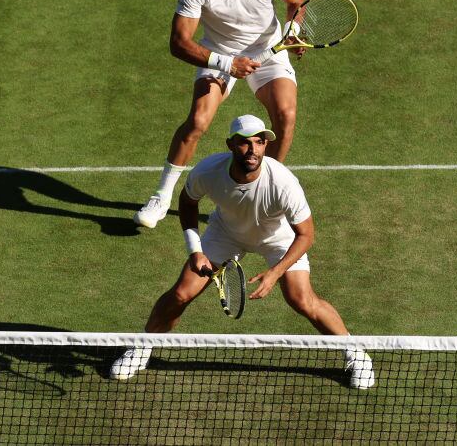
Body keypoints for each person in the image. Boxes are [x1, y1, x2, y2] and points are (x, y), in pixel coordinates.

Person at [112, 115, 375, 389]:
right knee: (181, 292)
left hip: (277, 237)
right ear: (230, 145)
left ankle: (356, 354)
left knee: (301, 299)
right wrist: (195, 250)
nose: (253, 150)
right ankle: (142, 348)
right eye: (245, 143)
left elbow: (306, 235)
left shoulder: (283, 183)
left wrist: (275, 273)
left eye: (260, 142)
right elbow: (187, 203)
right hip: (226, 233)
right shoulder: (208, 171)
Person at [134, 0, 307, 229]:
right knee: (198, 120)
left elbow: (296, 2)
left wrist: (293, 33)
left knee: (286, 115)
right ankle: (161, 196)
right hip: (220, 53)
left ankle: (265, 192)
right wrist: (227, 63)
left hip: (268, 51)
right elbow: (179, 42)